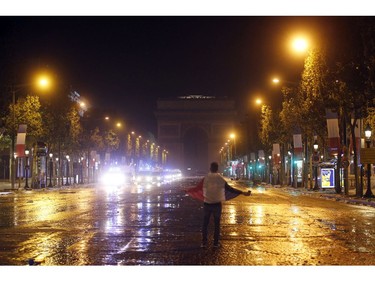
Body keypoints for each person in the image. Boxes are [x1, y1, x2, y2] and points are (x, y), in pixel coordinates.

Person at [201, 162, 251, 248]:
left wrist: (188, 191)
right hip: (217, 204)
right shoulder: (220, 179)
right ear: (217, 169)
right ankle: (216, 243)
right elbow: (230, 189)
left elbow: (198, 188)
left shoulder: (206, 178)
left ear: (210, 168)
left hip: (207, 203)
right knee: (217, 224)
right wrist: (242, 193)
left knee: (205, 223)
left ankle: (204, 242)